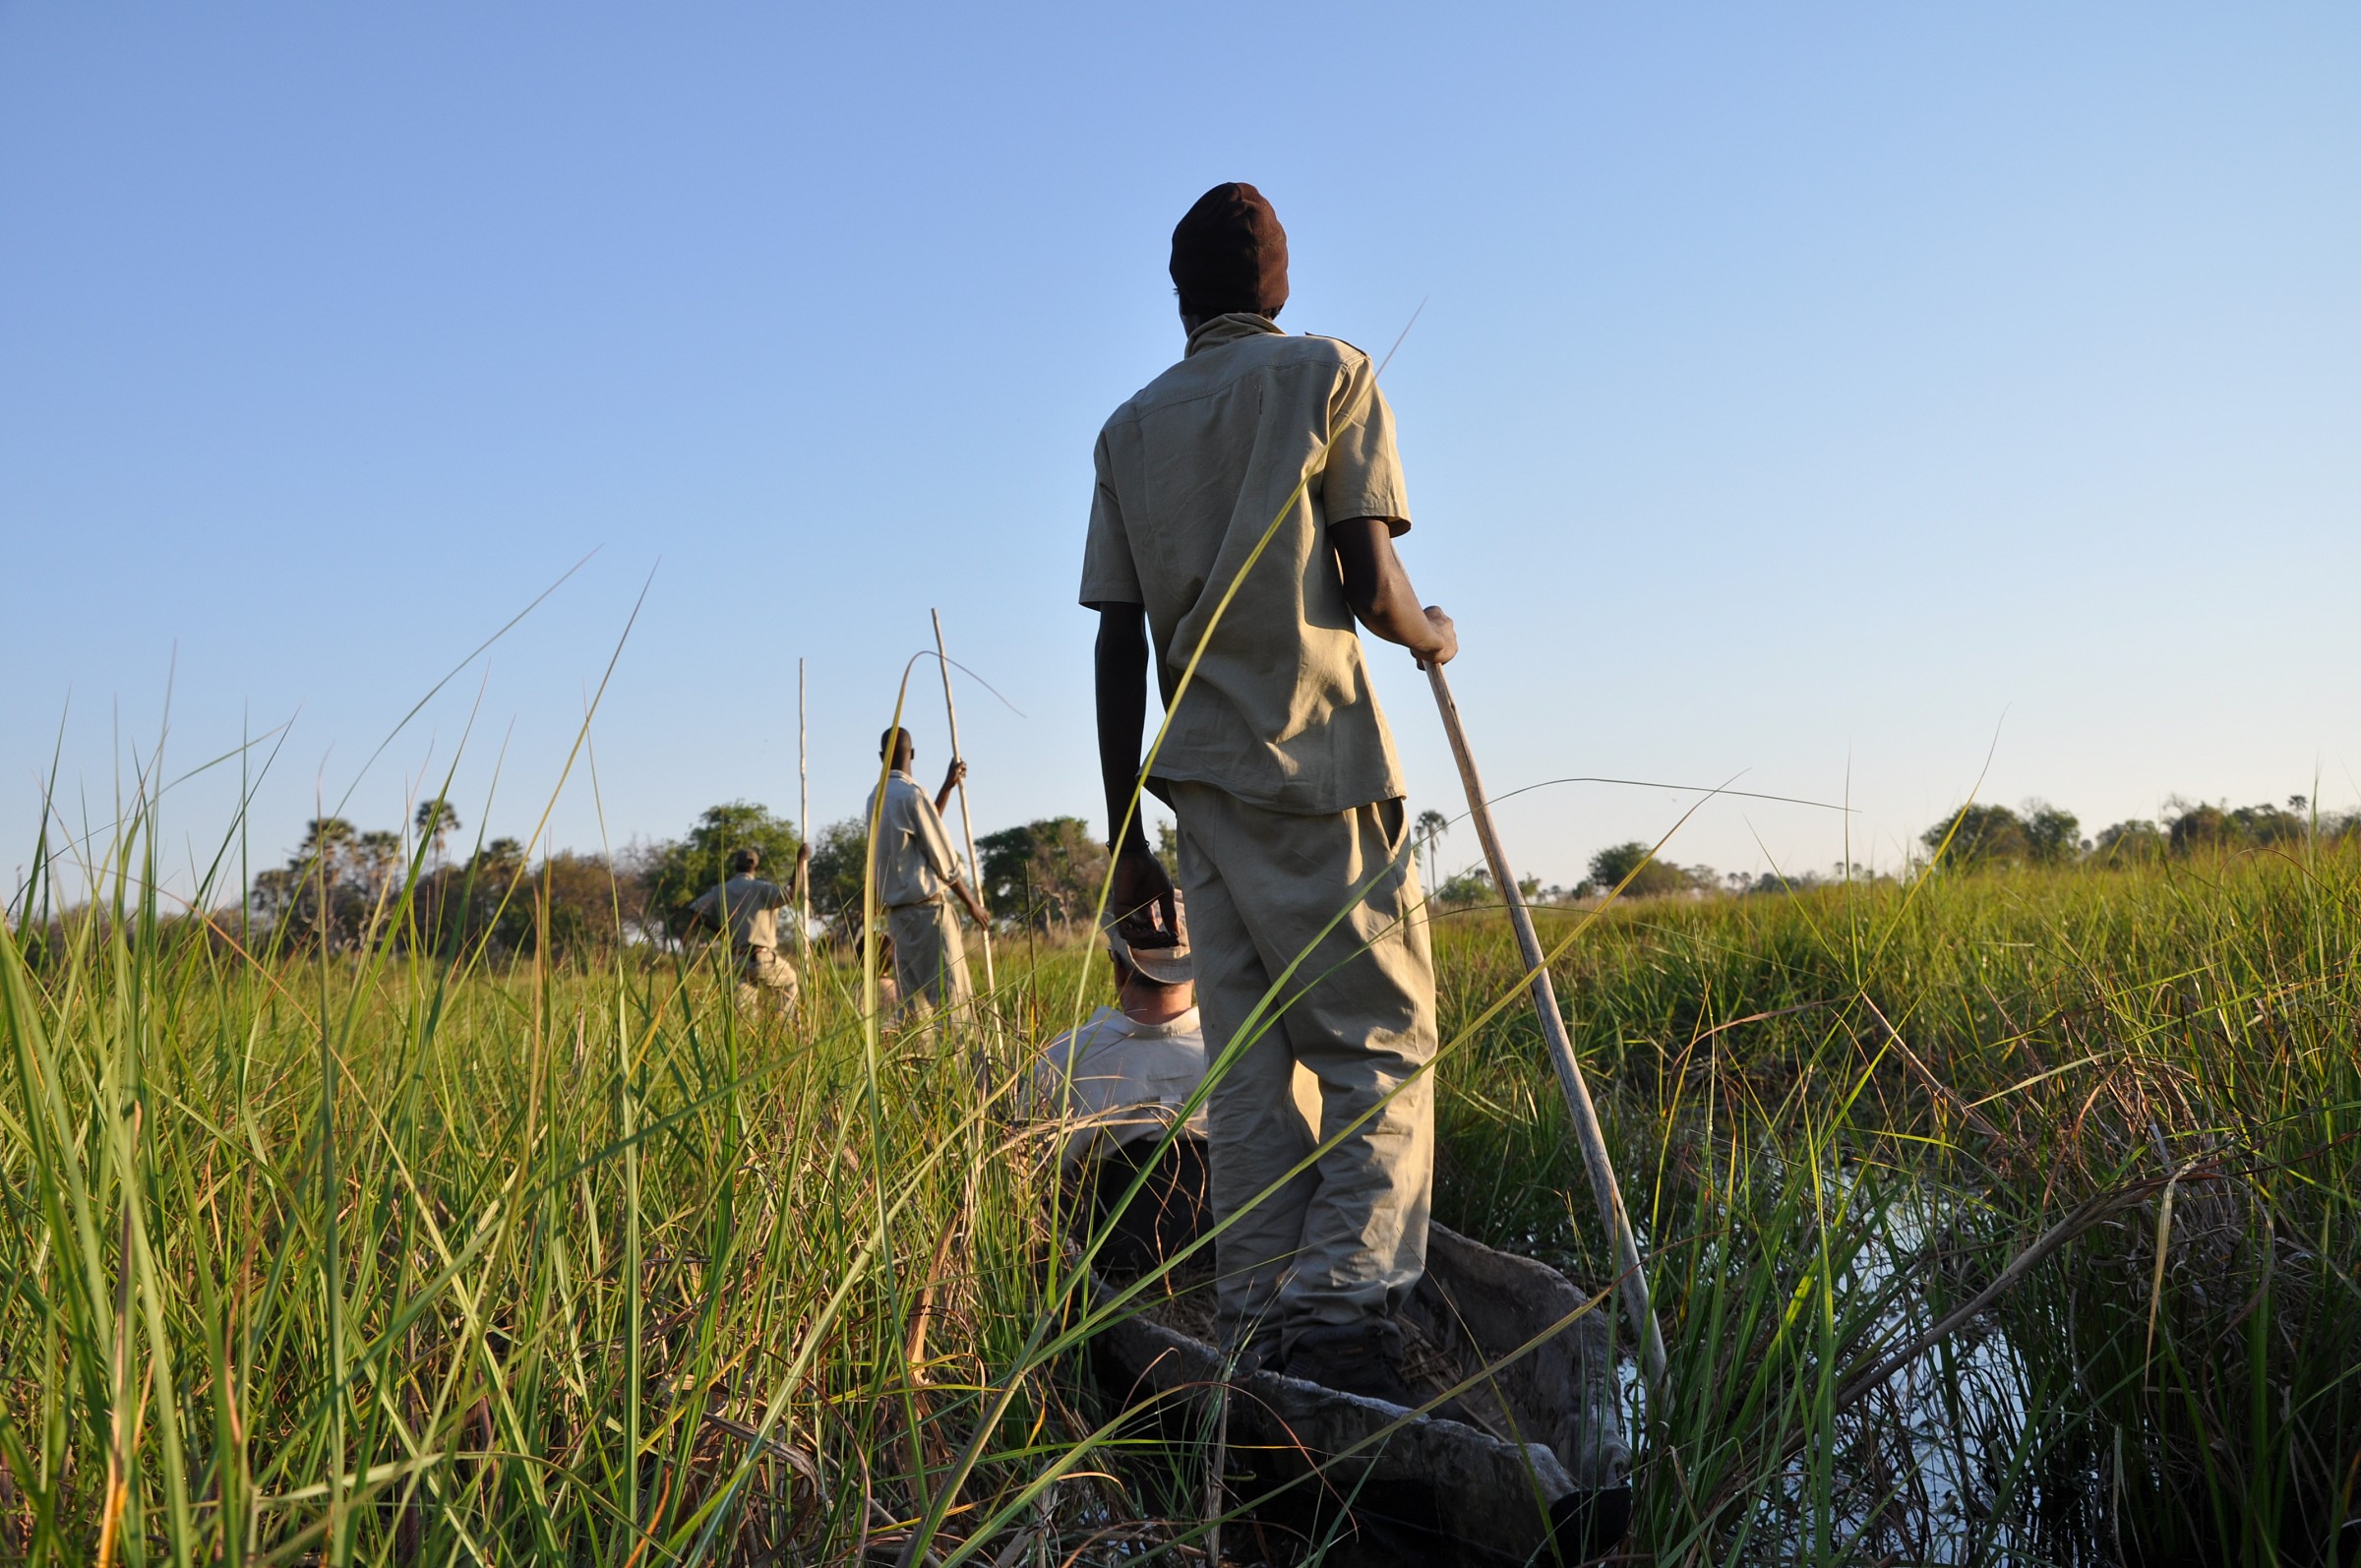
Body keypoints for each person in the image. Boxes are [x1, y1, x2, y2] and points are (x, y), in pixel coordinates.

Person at [1079, 181, 1457, 1406]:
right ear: (1276, 285)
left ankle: (1252, 1315)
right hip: (1317, 764)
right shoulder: (1326, 375)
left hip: (1198, 795)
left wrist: (1125, 834)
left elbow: (1116, 643)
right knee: (1381, 1046)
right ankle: (1339, 1318)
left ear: (1183, 296)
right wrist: (1433, 633)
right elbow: (1368, 575)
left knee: (1248, 1069)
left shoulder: (1130, 430)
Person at [868, 726, 992, 1022]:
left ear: (882, 757)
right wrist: (972, 904)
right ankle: (964, 1069)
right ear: (913, 754)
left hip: (899, 920)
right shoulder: (912, 795)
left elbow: (923, 829)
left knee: (914, 1010)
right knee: (954, 1005)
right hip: (930, 916)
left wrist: (947, 787)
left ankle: (922, 1067)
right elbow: (943, 860)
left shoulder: (876, 798)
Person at [688, 845, 808, 1014]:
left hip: (735, 960)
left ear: (736, 866)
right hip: (762, 958)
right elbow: (790, 894)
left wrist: (721, 932)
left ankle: (747, 1036)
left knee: (744, 1010)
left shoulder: (720, 890)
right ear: (755, 866)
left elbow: (695, 910)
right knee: (789, 983)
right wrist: (800, 860)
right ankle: (783, 1027)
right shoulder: (761, 888)